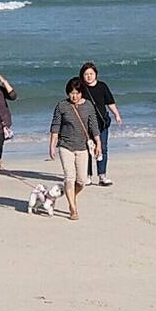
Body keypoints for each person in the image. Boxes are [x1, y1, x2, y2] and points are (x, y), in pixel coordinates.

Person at [48, 77, 102, 221]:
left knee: (81, 181)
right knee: (69, 177)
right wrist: (52, 145)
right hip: (65, 145)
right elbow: (55, 127)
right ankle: (73, 208)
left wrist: (99, 144)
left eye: (77, 93)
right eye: (72, 93)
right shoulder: (62, 106)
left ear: (82, 93)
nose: (74, 96)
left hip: (83, 147)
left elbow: (94, 126)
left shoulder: (89, 106)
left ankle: (70, 195)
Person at [78, 62, 122, 186]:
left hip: (101, 123)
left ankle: (102, 176)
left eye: (91, 73)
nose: (89, 76)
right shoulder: (81, 88)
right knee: (87, 149)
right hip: (85, 124)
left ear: (96, 74)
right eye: (86, 74)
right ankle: (87, 176)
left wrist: (117, 115)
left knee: (102, 148)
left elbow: (110, 102)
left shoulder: (102, 86)